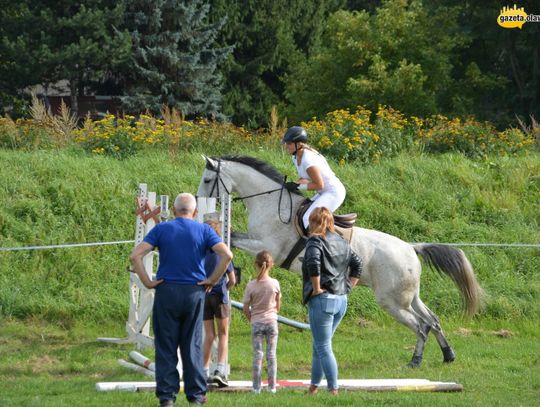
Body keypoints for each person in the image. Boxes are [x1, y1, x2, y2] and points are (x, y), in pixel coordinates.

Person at [130, 193, 233, 407]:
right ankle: (196, 396)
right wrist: (212, 280)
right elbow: (227, 256)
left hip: (167, 291)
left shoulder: (162, 228)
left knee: (166, 344)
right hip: (194, 293)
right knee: (193, 344)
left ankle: (167, 398)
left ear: (175, 211)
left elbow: (135, 256)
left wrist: (148, 282)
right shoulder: (204, 230)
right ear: (195, 212)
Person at [302, 207, 362, 396]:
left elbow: (313, 262)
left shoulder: (315, 240)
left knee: (323, 346)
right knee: (319, 344)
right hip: (341, 300)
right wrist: (349, 286)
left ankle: (333, 389)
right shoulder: (341, 240)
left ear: (314, 222)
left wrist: (317, 287)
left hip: (323, 300)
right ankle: (313, 387)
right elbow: (358, 263)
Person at [282, 126, 346, 229]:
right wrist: (292, 184)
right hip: (323, 192)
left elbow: (319, 184)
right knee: (300, 210)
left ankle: (317, 244)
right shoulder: (295, 157)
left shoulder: (308, 160)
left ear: (298, 144)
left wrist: (298, 187)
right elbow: (305, 178)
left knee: (308, 218)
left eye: (289, 143)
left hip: (334, 193)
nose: (286, 146)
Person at [202, 215, 236, 387]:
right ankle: (220, 370)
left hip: (204, 295)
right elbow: (233, 280)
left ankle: (204, 370)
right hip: (220, 295)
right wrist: (225, 288)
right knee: (223, 333)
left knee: (209, 335)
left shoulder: (199, 253)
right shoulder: (222, 252)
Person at [242, 250, 281, 394]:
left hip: (256, 322)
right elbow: (278, 305)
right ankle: (272, 387)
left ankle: (256, 387)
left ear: (256, 264)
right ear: (271, 265)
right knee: (272, 355)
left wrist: (251, 318)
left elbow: (246, 307)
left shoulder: (251, 285)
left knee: (258, 354)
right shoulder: (275, 283)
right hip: (272, 322)